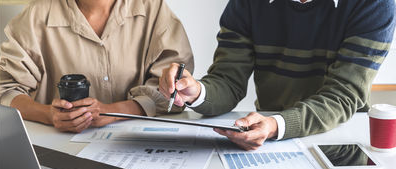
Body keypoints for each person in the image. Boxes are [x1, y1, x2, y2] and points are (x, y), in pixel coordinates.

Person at [159, 0, 395, 150]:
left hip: (342, 137)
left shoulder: (375, 4)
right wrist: (197, 92)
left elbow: (342, 95)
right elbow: (227, 81)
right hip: (267, 138)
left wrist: (275, 125)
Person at [0, 0, 193, 133]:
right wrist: (49, 114)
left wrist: (113, 112)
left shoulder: (153, 9)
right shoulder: (37, 14)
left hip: (138, 144)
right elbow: (5, 89)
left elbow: (175, 90)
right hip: (59, 148)